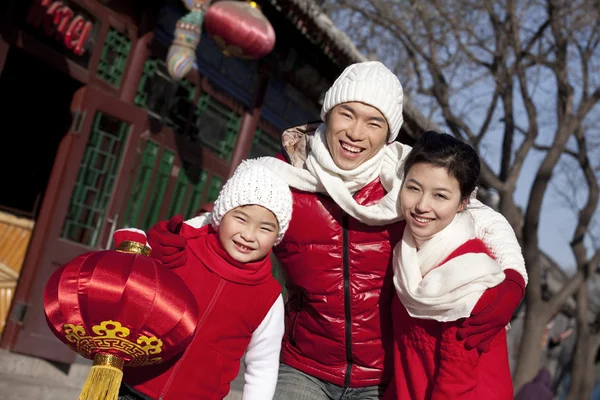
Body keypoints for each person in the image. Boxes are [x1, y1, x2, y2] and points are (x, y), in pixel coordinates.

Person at [147, 61, 528, 399]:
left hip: (380, 379)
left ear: (389, 134)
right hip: (304, 365)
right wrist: (181, 238)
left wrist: (513, 279)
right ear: (328, 113)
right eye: (347, 114)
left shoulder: (406, 184)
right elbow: (231, 212)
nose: (356, 133)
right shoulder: (286, 176)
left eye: (374, 122)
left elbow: (481, 216)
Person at [119, 159, 293, 400]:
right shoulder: (179, 249)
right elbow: (130, 291)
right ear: (220, 214)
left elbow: (262, 365)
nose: (249, 235)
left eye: (265, 228)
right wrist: (133, 253)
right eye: (241, 219)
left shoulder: (268, 297)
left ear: (277, 236)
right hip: (132, 386)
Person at [383, 131, 517, 399]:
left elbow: (455, 386)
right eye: (413, 188)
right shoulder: (407, 253)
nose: (422, 206)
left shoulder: (469, 275)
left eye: (440, 196)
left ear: (463, 203)